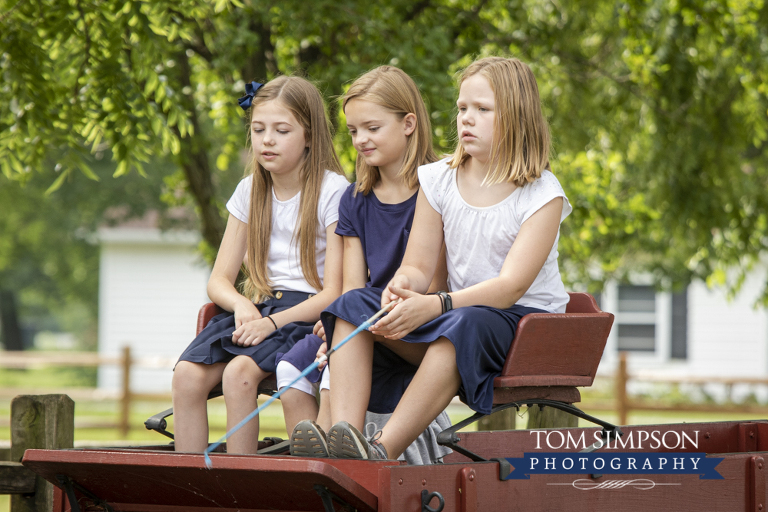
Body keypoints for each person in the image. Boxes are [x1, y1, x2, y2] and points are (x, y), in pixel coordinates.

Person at [322, 56, 573, 460]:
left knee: (463, 325)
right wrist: (402, 289)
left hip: (521, 320)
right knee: (355, 304)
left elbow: (510, 288)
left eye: (482, 109)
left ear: (517, 116)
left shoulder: (542, 194)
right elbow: (418, 266)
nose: (466, 119)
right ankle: (346, 441)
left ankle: (382, 450)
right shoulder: (438, 178)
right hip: (457, 313)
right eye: (461, 109)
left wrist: (435, 303)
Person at [275, 66, 451, 464]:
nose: (361, 140)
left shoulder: (440, 187)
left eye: (372, 128)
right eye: (354, 131)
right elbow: (353, 288)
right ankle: (319, 456)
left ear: (409, 123)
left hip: (420, 323)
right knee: (294, 366)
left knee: (345, 327)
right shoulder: (355, 199)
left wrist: (346, 319)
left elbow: (436, 283)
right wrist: (338, 321)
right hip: (366, 317)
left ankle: (338, 447)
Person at [171, 76, 349, 454]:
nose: (267, 139)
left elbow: (336, 291)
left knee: (238, 374)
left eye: (281, 130)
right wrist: (242, 305)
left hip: (306, 316)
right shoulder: (250, 191)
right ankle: (189, 486)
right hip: (259, 310)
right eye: (258, 129)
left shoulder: (333, 191)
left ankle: (240, 485)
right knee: (186, 376)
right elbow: (219, 279)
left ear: (310, 136)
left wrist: (271, 323)